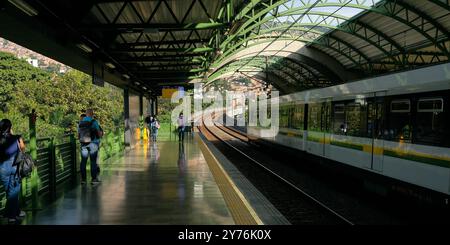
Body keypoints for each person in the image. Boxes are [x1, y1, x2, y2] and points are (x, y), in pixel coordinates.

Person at [0, 119, 26, 223]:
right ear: (10, 127)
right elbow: (23, 149)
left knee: (9, 192)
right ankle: (11, 216)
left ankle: (15, 211)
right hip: (15, 167)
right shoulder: (17, 138)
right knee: (13, 192)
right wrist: (13, 134)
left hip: (2, 168)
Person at [78, 109, 103, 185]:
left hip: (83, 144)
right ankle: (94, 179)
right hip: (93, 144)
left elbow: (78, 135)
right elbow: (98, 134)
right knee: (93, 161)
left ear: (86, 114)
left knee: (83, 161)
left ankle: (83, 180)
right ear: (92, 114)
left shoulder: (80, 122)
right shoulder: (94, 122)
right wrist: (100, 136)